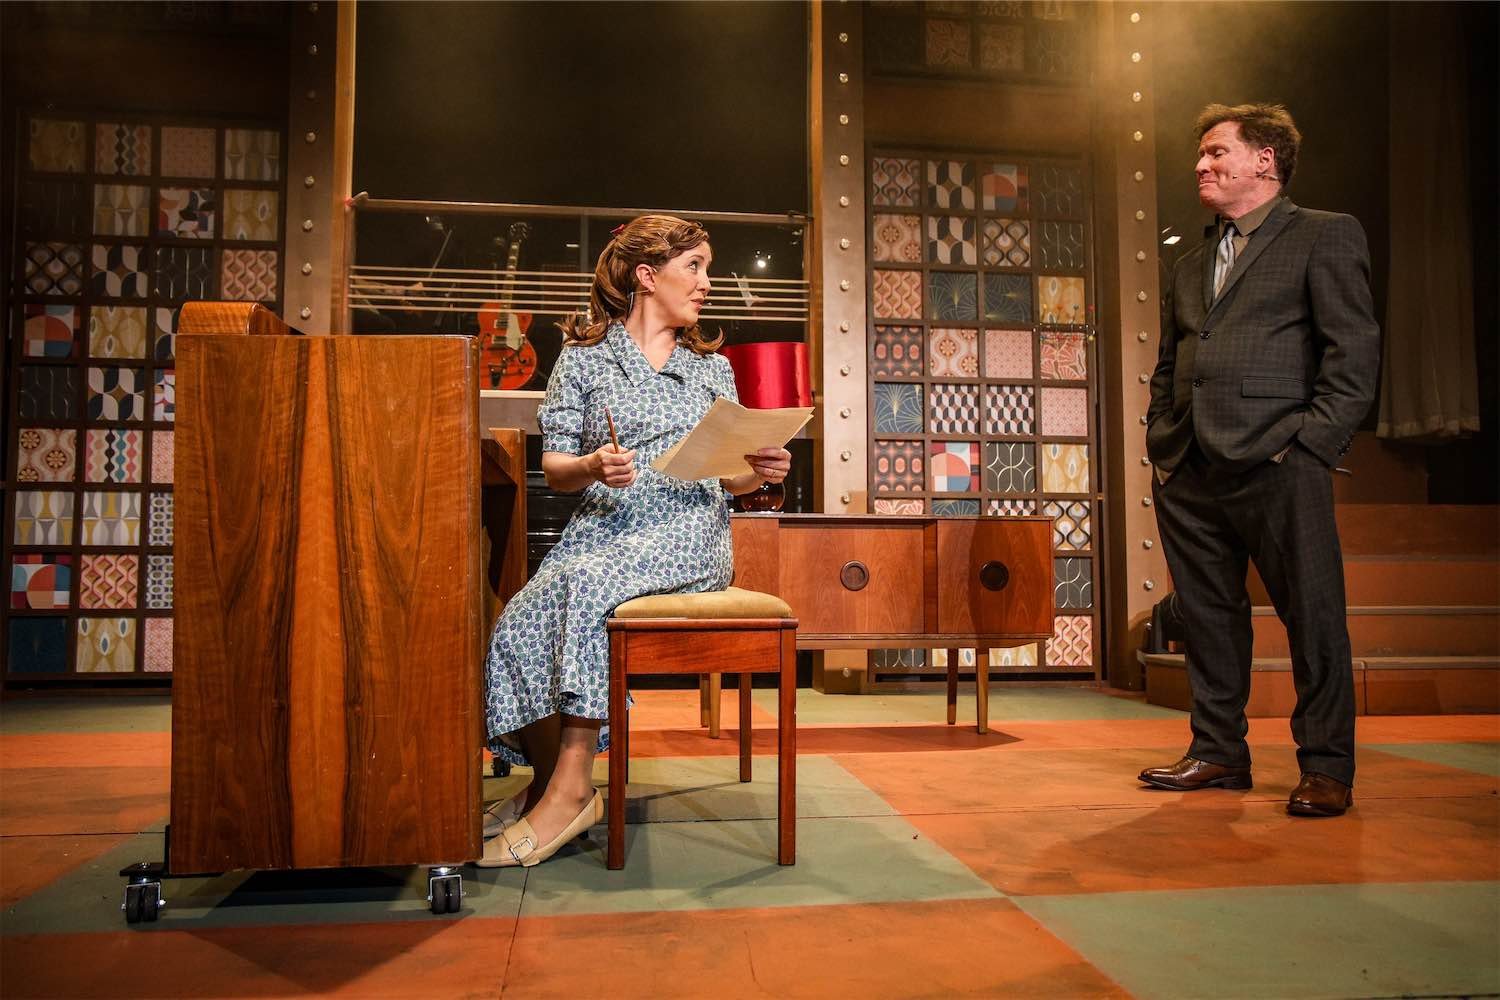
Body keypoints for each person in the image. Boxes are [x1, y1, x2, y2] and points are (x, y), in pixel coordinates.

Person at [478, 214, 792, 866]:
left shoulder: (712, 369)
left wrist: (759, 471)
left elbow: (731, 479)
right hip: (602, 529)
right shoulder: (584, 359)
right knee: (521, 614)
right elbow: (556, 468)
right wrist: (594, 465)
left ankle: (573, 789)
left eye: (707, 268)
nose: (706, 282)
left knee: (586, 587)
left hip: (687, 531)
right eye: (694, 267)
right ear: (647, 276)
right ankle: (546, 782)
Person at [1139, 104, 1380, 817]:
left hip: (1280, 458)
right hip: (1191, 463)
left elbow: (1352, 351)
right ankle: (1218, 751)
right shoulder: (1190, 263)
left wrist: (1310, 444)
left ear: (1265, 161)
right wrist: (1162, 440)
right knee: (1207, 615)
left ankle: (1327, 766)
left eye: (1217, 152)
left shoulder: (1323, 234)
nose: (1201, 165)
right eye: (1202, 154)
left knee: (1313, 616)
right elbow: (1170, 361)